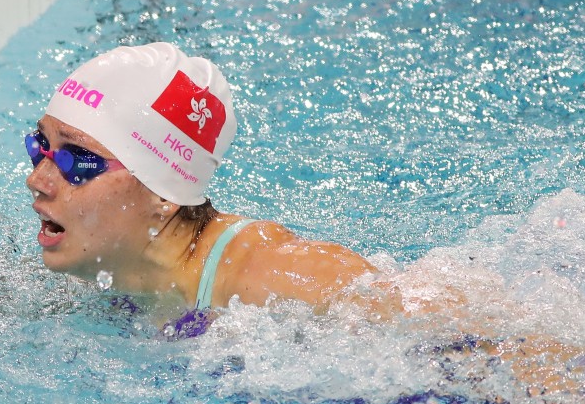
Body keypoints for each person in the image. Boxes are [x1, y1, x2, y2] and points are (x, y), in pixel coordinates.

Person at [25, 42, 377, 322]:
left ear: (163, 192)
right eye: (40, 146)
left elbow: (420, 309)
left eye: (78, 161)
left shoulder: (270, 277)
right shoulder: (104, 267)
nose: (37, 179)